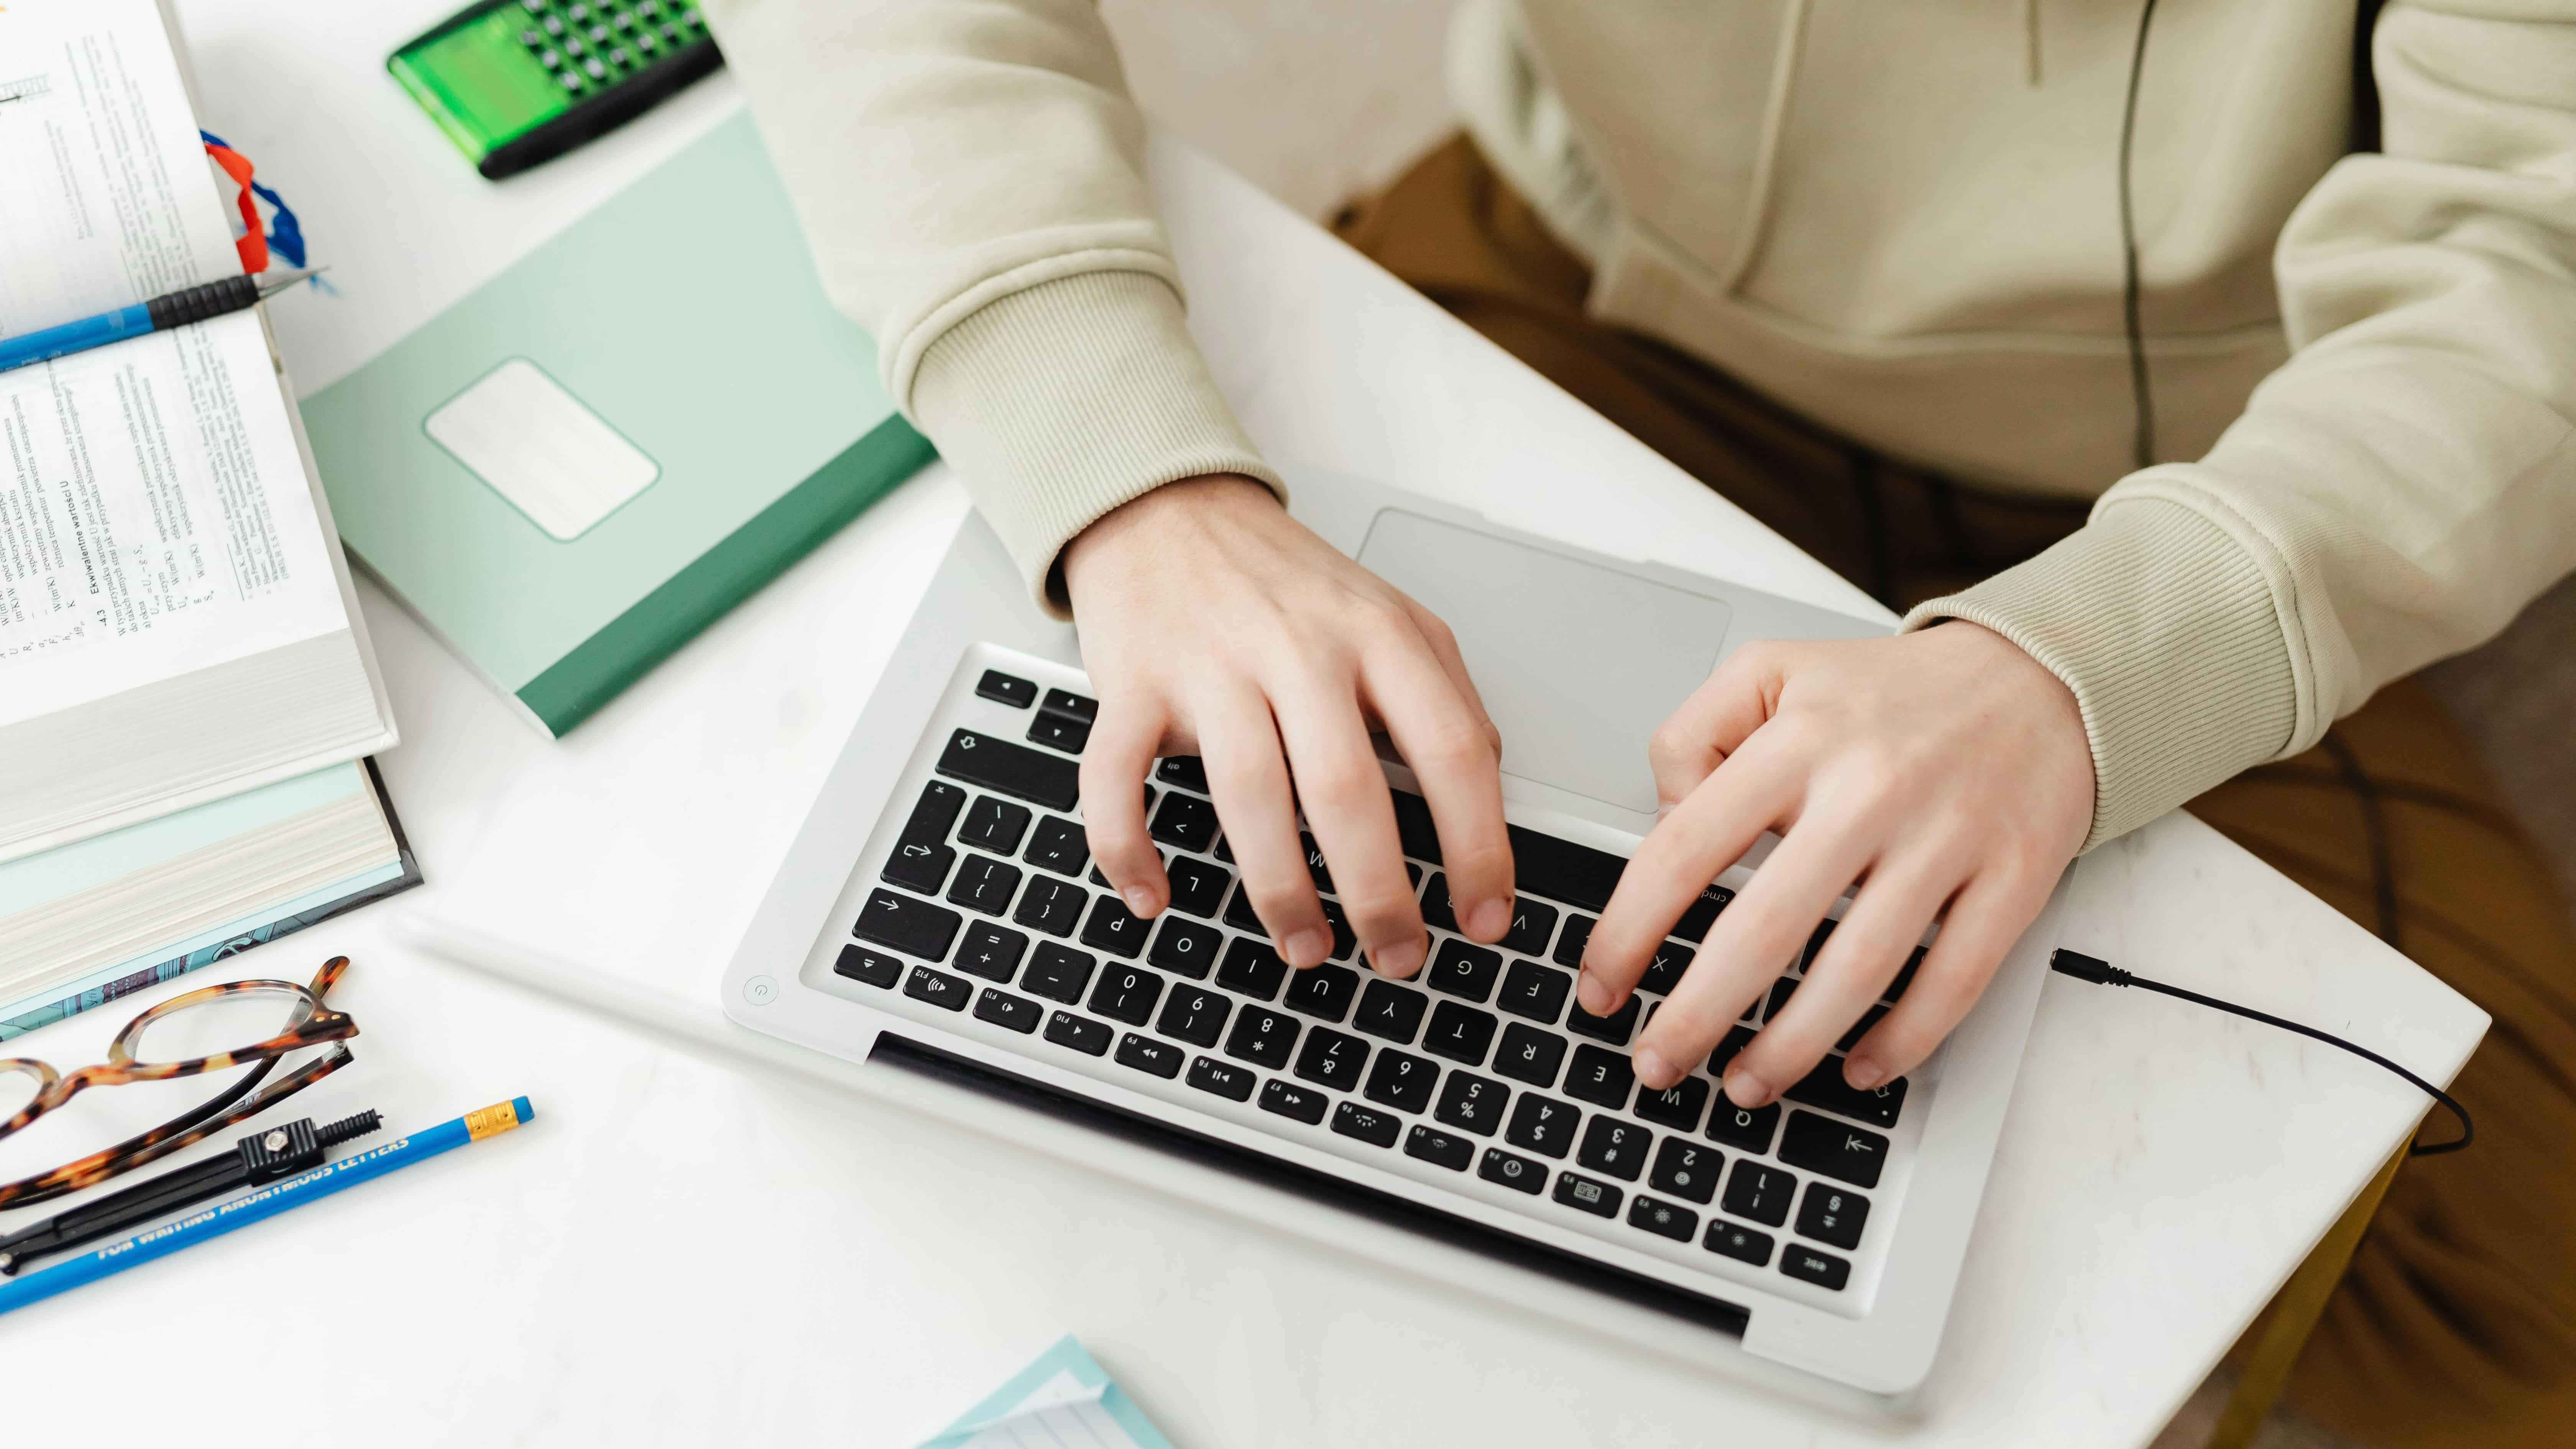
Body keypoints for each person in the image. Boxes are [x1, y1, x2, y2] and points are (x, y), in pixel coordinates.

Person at [702, 2, 2576, 1442]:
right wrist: (1131, 481)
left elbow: (2538, 261)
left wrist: (2086, 671)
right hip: (1581, 286)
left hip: (2210, 469)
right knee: (1135, 982)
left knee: (2529, 1330)